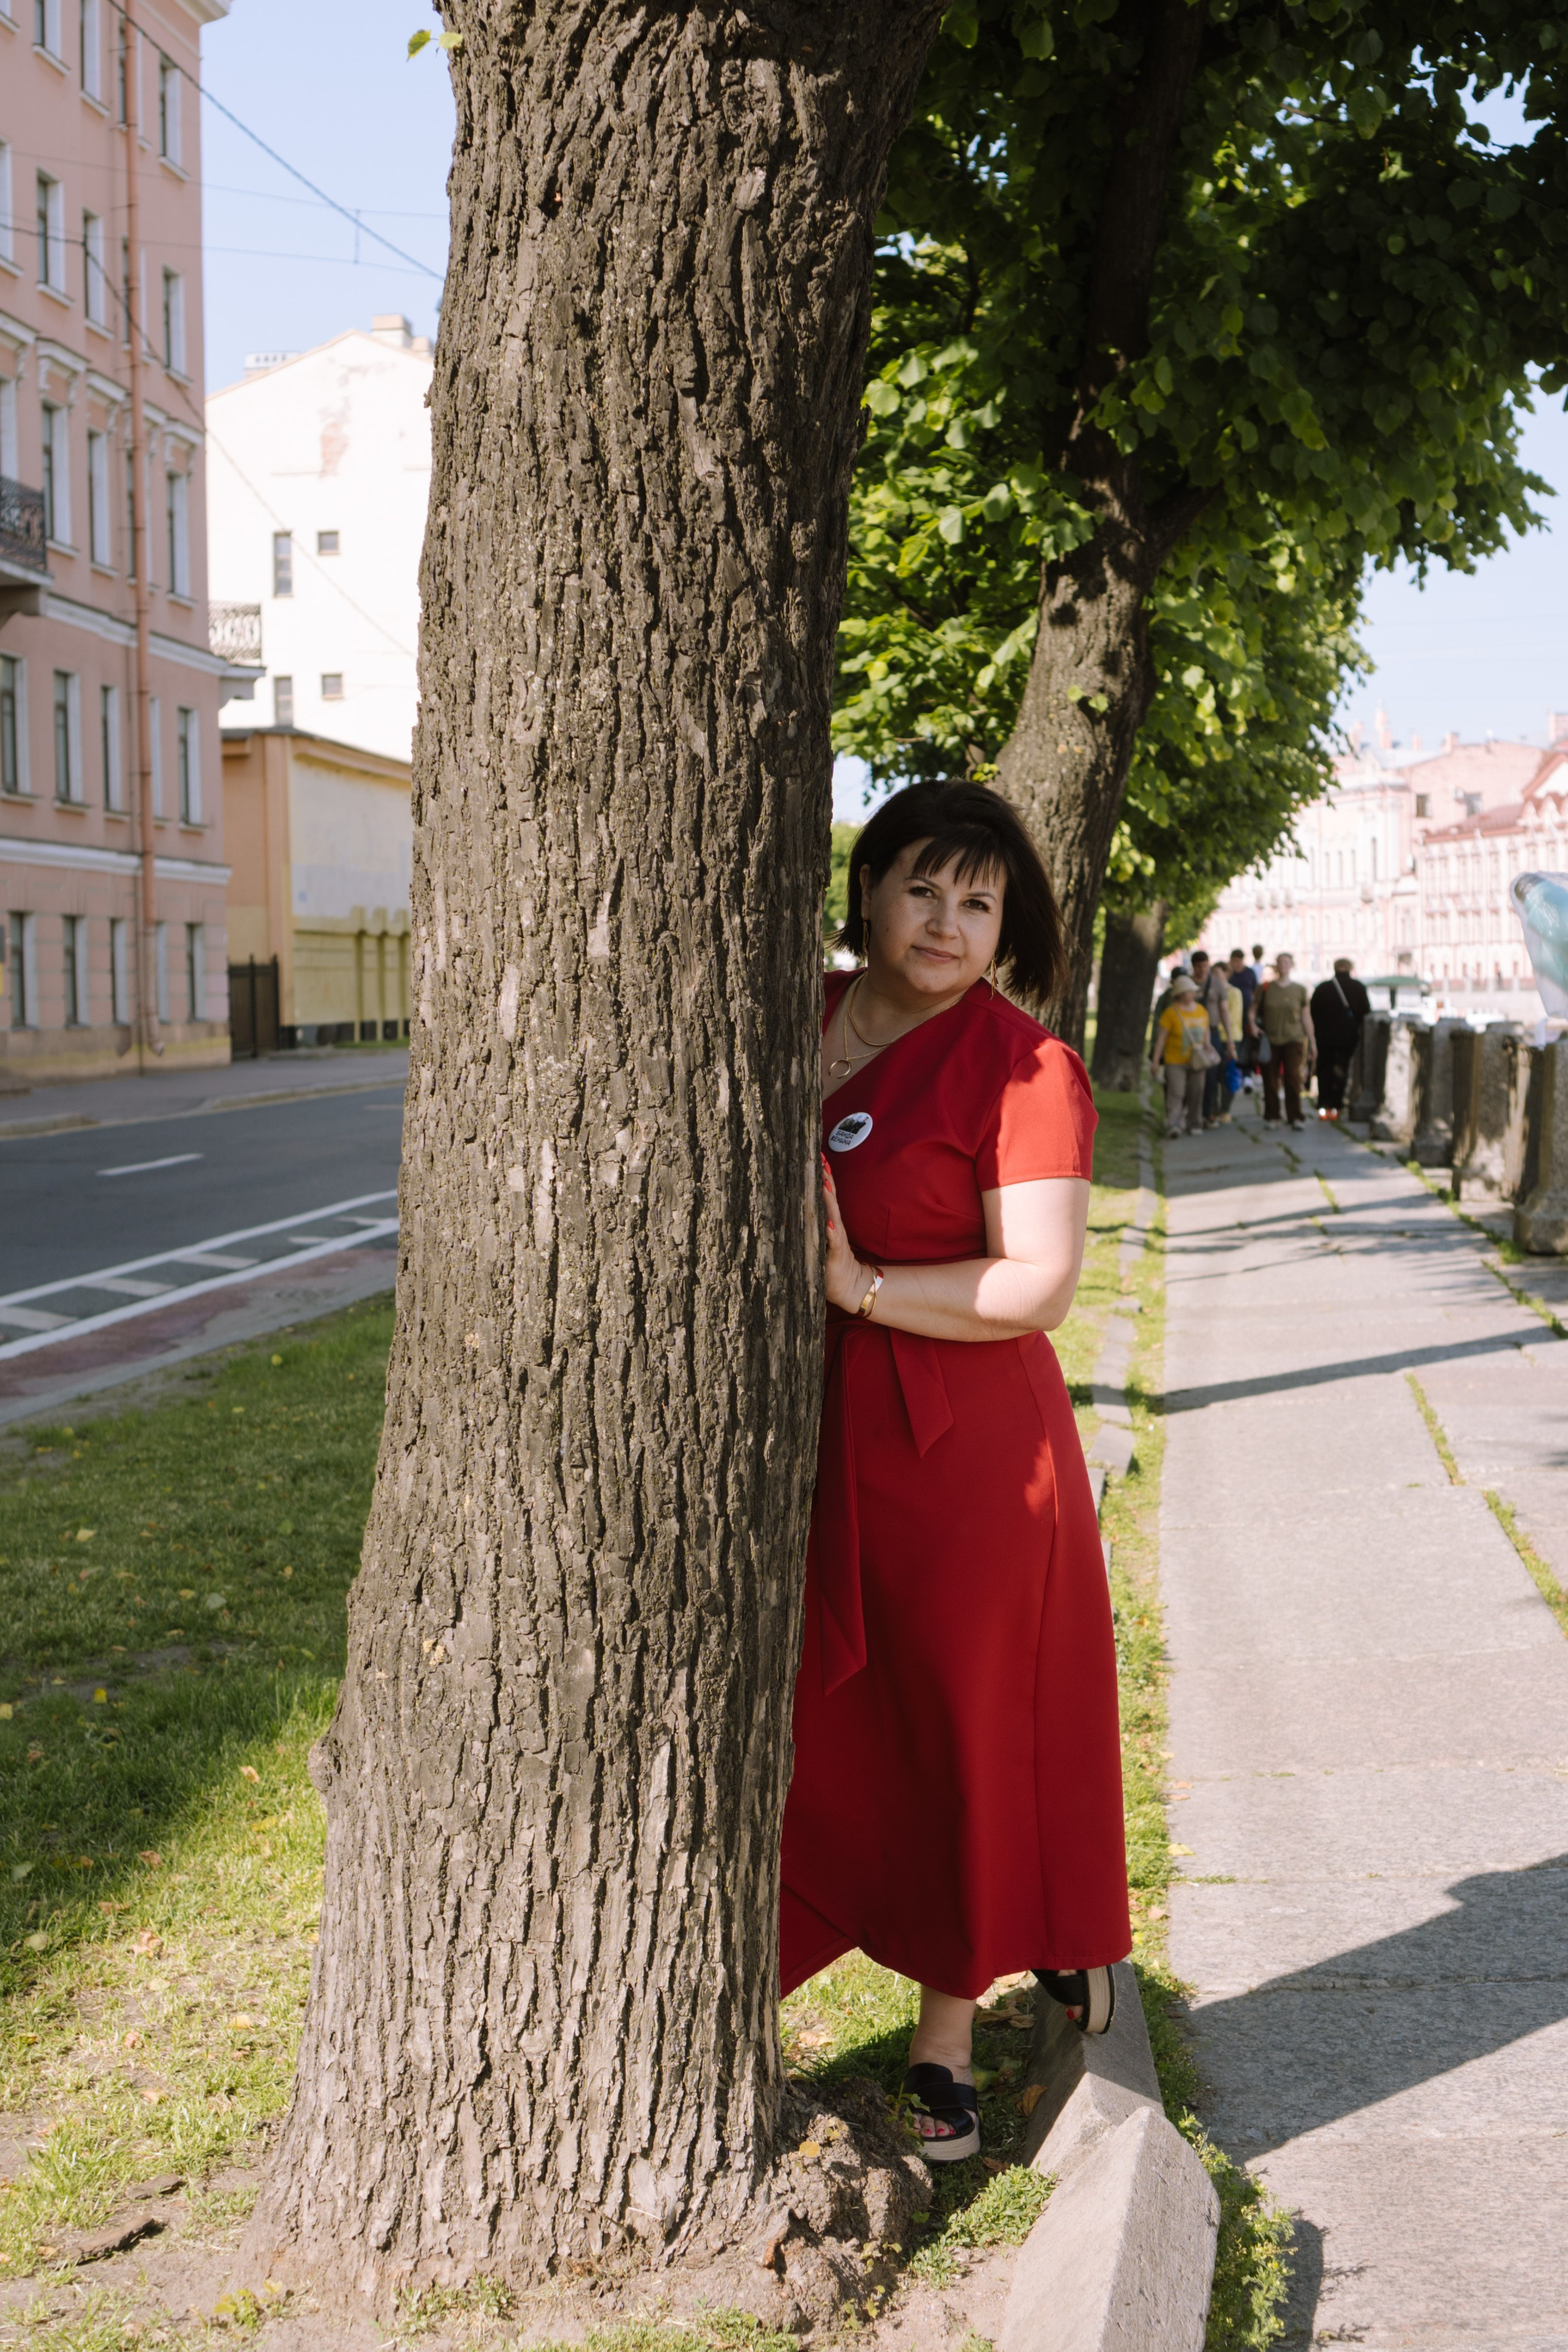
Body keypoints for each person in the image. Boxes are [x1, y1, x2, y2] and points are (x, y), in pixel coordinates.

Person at [788, 780, 1130, 2165]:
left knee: (950, 1724)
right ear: (866, 889)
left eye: (977, 902)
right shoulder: (789, 1009)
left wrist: (856, 1284)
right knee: (811, 1716)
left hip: (960, 1451)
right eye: (921, 887)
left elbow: (1035, 1283)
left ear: (1008, 927)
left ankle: (942, 2048)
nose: (945, 922)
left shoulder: (1020, 1068)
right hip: (801, 1431)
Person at [1251, 950, 1316, 1128]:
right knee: (1270, 1079)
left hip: (1293, 1038)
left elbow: (1306, 1017)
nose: (1284, 966)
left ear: (1292, 966)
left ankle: (1295, 1116)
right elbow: (1253, 1009)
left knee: (1293, 1078)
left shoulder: (1300, 990)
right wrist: (1253, 1026)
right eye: (1280, 962)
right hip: (1270, 1038)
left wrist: (1312, 1043)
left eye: (1287, 962)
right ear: (1276, 966)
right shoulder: (1266, 988)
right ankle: (1273, 1116)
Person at [1310, 958, 1371, 1120]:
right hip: (1347, 1038)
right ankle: (1336, 1106)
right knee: (1341, 1070)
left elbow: (1313, 1013)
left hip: (1324, 1038)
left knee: (1324, 1070)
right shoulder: (1358, 987)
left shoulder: (1322, 988)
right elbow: (1365, 1011)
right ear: (1350, 968)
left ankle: (1323, 1106)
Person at [1150, 971, 1209, 1136]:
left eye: (1193, 991)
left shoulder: (1201, 1010)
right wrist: (1156, 1061)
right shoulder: (1170, 1013)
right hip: (1175, 1060)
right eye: (1189, 991)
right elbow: (1161, 1039)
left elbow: (1206, 1031)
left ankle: (1194, 1123)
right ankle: (1173, 1125)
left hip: (1197, 1060)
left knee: (1197, 1092)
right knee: (1176, 1093)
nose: (1193, 994)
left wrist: (1208, 1044)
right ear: (1181, 994)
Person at [1189, 951, 1234, 1126]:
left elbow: (1224, 1010)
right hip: (1191, 1033)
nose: (1202, 969)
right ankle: (1193, 1113)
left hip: (1213, 1032)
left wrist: (1229, 1038)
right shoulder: (1188, 983)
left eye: (1205, 965)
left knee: (1211, 1074)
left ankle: (1208, 1112)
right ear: (1194, 966)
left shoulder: (1216, 984)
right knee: (1192, 1075)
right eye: (1199, 966)